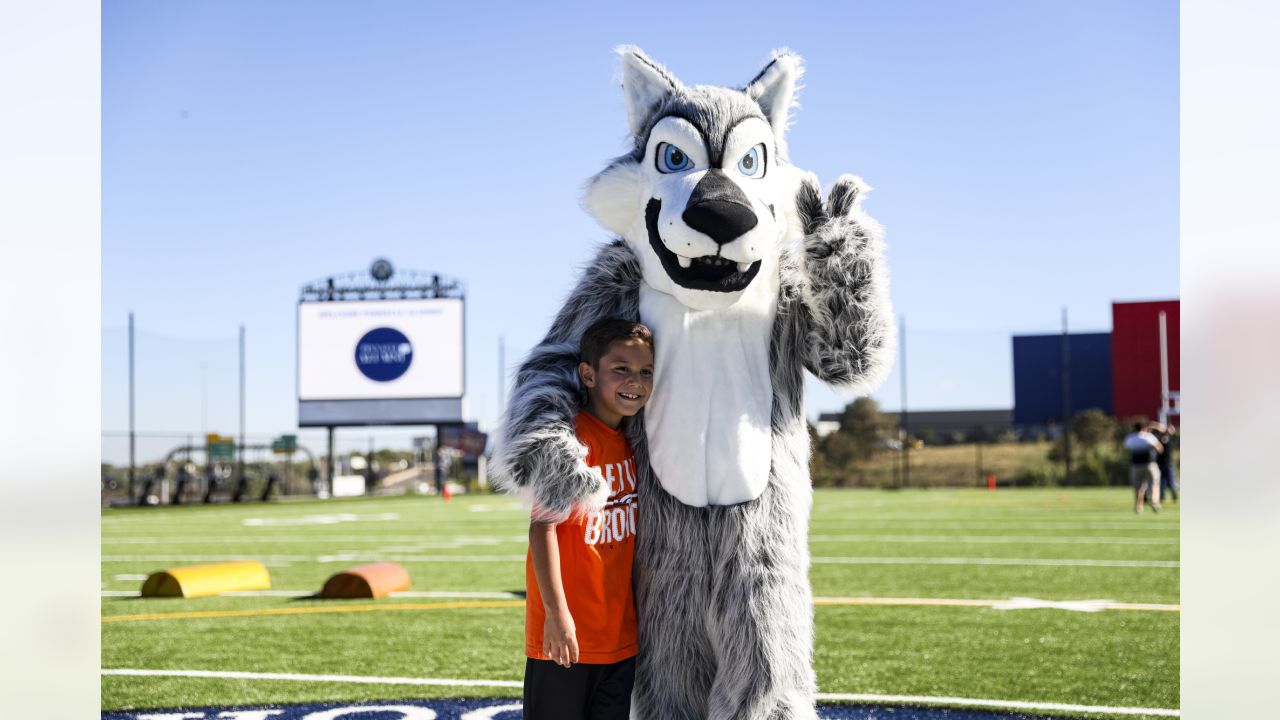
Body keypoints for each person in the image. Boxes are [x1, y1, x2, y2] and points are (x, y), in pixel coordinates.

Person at [522, 318, 653, 720]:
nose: (635, 381)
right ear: (588, 374)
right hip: (565, 636)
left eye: (645, 371)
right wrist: (557, 616)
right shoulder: (570, 438)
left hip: (620, 638)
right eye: (621, 369)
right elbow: (542, 528)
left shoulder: (635, 443)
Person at [1123, 422, 1164, 513]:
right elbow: (1159, 448)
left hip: (1136, 466)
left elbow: (1127, 448)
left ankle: (1139, 506)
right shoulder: (1148, 436)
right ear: (1143, 428)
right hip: (1149, 464)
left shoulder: (1131, 438)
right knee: (1154, 484)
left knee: (1139, 487)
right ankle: (1154, 503)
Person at [1154, 425, 1178, 503]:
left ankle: (1173, 496)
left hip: (1168, 463)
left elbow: (1164, 439)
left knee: (1170, 480)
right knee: (1162, 481)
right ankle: (1162, 497)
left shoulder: (1167, 438)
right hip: (1161, 463)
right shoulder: (1161, 438)